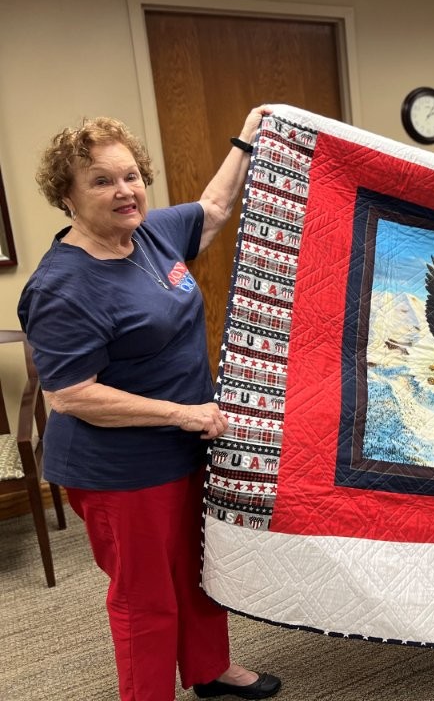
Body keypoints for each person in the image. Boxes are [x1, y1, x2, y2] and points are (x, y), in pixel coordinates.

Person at [18, 108, 282, 699]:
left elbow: (214, 208)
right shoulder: (62, 287)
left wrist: (246, 137)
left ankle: (209, 669)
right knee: (146, 596)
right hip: (121, 470)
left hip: (185, 447)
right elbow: (70, 394)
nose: (124, 191)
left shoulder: (150, 234)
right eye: (102, 181)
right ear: (67, 196)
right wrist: (183, 415)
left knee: (199, 567)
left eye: (131, 176)